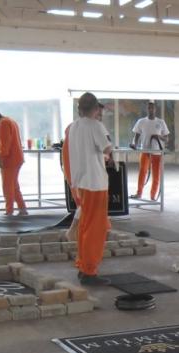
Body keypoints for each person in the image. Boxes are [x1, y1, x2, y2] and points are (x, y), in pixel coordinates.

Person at [66, 92, 113, 286]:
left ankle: (83, 265)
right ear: (95, 109)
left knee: (85, 226)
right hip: (96, 183)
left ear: (79, 109)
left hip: (82, 183)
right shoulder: (96, 126)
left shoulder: (73, 127)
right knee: (95, 229)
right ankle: (89, 271)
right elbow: (107, 149)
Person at [0, 108, 28, 216]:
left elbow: (5, 144)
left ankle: (9, 211)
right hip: (17, 158)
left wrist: (1, 158)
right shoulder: (10, 121)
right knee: (14, 186)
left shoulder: (3, 123)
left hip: (9, 160)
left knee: (7, 187)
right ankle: (22, 209)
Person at [130, 101, 169, 200]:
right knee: (142, 172)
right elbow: (137, 135)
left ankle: (153, 196)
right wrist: (134, 144)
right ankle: (139, 193)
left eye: (152, 108)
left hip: (157, 152)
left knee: (156, 175)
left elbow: (166, 138)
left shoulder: (161, 122)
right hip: (145, 151)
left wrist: (158, 136)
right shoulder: (141, 121)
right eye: (149, 108)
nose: (150, 109)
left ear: (155, 109)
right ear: (146, 109)